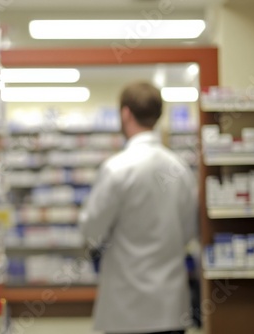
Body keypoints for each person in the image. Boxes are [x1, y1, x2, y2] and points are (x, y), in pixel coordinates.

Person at [78, 81, 198, 334]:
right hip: (170, 306)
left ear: (125, 113)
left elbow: (91, 230)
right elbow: (189, 231)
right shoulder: (179, 168)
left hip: (126, 308)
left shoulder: (117, 168)